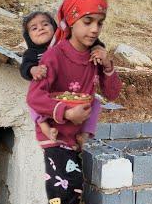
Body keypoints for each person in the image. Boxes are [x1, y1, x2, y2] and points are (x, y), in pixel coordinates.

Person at [27, 0, 122, 204]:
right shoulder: (55, 55)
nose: (94, 29)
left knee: (72, 193)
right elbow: (34, 96)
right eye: (88, 21)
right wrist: (64, 113)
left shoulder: (95, 58)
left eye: (100, 23)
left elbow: (113, 93)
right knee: (69, 188)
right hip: (54, 133)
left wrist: (107, 67)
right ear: (70, 19)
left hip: (73, 137)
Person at [20, 10, 107, 147]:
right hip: (44, 93)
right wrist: (33, 69)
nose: (41, 29)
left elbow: (89, 40)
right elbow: (25, 67)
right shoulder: (32, 53)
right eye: (34, 28)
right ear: (28, 36)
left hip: (65, 93)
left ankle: (84, 134)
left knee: (94, 102)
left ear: (55, 28)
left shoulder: (64, 46)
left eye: (45, 24)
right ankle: (46, 129)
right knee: (35, 103)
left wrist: (97, 47)